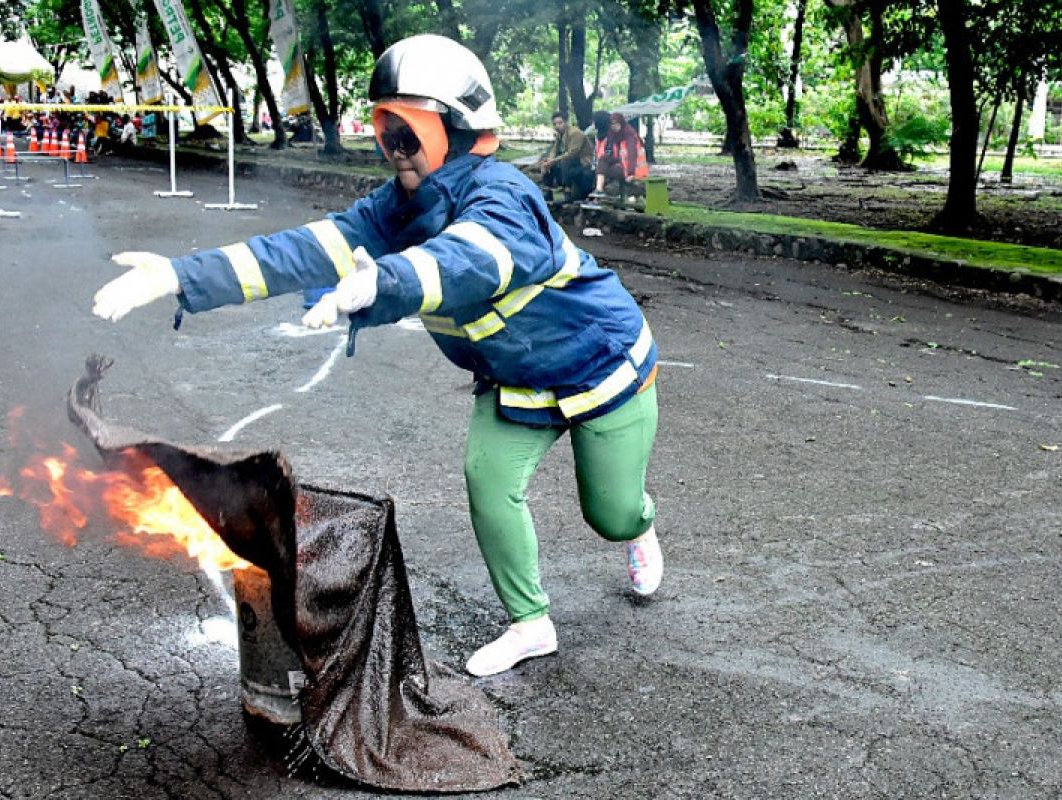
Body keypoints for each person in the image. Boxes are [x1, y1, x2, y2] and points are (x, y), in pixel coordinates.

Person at [91, 34, 663, 679]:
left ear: (454, 128)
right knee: (489, 483)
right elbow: (301, 251)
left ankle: (640, 526)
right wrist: (181, 276)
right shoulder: (396, 207)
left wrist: (384, 283)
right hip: (514, 382)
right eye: (385, 131)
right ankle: (530, 624)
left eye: (407, 133)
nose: (393, 150)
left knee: (610, 514)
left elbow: (473, 259)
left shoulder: (505, 196)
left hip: (600, 365)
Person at [537, 111, 594, 201]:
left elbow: (572, 153)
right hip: (569, 162)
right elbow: (554, 150)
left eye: (560, 123)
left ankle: (567, 191)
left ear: (566, 122)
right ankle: (547, 191)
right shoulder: (560, 134)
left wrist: (554, 160)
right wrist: (549, 161)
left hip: (582, 162)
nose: (557, 126)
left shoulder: (575, 133)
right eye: (555, 124)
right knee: (547, 162)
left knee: (564, 161)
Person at [590, 112, 648, 198]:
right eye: (611, 124)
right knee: (603, 159)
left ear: (621, 123)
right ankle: (599, 189)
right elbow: (615, 154)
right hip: (622, 163)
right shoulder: (613, 134)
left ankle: (634, 191)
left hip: (634, 168)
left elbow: (632, 155)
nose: (614, 126)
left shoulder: (629, 135)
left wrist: (631, 173)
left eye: (616, 124)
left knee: (611, 171)